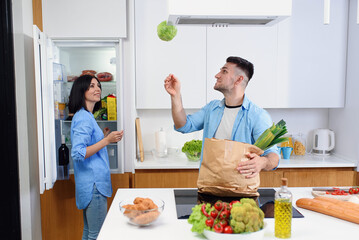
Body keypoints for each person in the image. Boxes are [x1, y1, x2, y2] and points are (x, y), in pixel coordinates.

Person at [164, 56, 280, 179]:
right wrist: (175, 96)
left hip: (241, 190)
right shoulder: (212, 109)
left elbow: (273, 156)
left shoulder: (258, 116)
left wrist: (263, 162)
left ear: (238, 80)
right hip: (209, 186)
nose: (217, 75)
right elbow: (183, 125)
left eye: (224, 71)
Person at [68, 75, 124, 240]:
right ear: (81, 90)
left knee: (89, 233)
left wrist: (104, 138)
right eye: (91, 86)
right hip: (94, 185)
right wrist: (107, 140)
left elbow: (86, 146)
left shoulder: (84, 115)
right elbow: (78, 153)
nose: (97, 89)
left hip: (88, 184)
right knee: (97, 235)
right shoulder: (84, 117)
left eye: (98, 85)